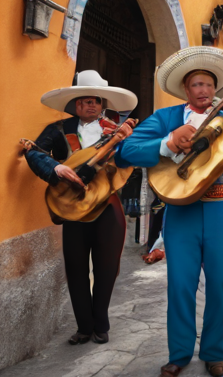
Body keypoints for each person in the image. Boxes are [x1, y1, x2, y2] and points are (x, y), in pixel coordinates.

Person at [114, 47, 223, 377]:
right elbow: (125, 151)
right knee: (180, 283)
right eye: (196, 85)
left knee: (219, 283)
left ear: (216, 88)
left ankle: (214, 353)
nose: (203, 91)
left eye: (208, 85)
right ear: (186, 90)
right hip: (181, 211)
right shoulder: (167, 118)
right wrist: (167, 142)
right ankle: (178, 354)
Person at [23, 70, 137, 345]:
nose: (91, 105)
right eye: (85, 100)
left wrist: (126, 143)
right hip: (72, 209)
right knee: (75, 268)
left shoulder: (117, 131)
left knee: (107, 268)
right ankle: (84, 327)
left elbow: (134, 159)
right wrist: (57, 168)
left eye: (96, 100)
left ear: (102, 104)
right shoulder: (59, 129)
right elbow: (34, 152)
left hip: (108, 207)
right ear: (76, 104)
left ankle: (101, 322)